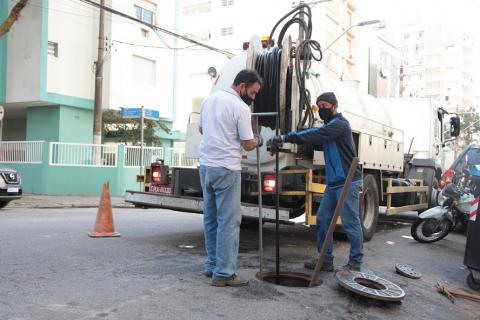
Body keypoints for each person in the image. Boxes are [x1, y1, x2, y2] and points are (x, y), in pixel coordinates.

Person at [269, 92, 364, 271]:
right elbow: (311, 136)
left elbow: (316, 134)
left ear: (334, 107)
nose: (321, 109)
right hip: (334, 182)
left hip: (348, 181)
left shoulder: (340, 125)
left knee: (350, 223)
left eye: (325, 106)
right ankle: (325, 260)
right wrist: (287, 140)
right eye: (319, 106)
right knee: (322, 219)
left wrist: (285, 137)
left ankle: (355, 263)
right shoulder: (329, 126)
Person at [199, 69, 263, 287]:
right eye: (253, 92)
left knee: (210, 218)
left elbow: (201, 129)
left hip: (206, 167)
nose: (253, 97)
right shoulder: (240, 107)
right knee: (229, 221)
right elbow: (247, 143)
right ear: (242, 86)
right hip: (226, 168)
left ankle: (212, 266)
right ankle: (224, 274)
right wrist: (258, 140)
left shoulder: (209, 100)